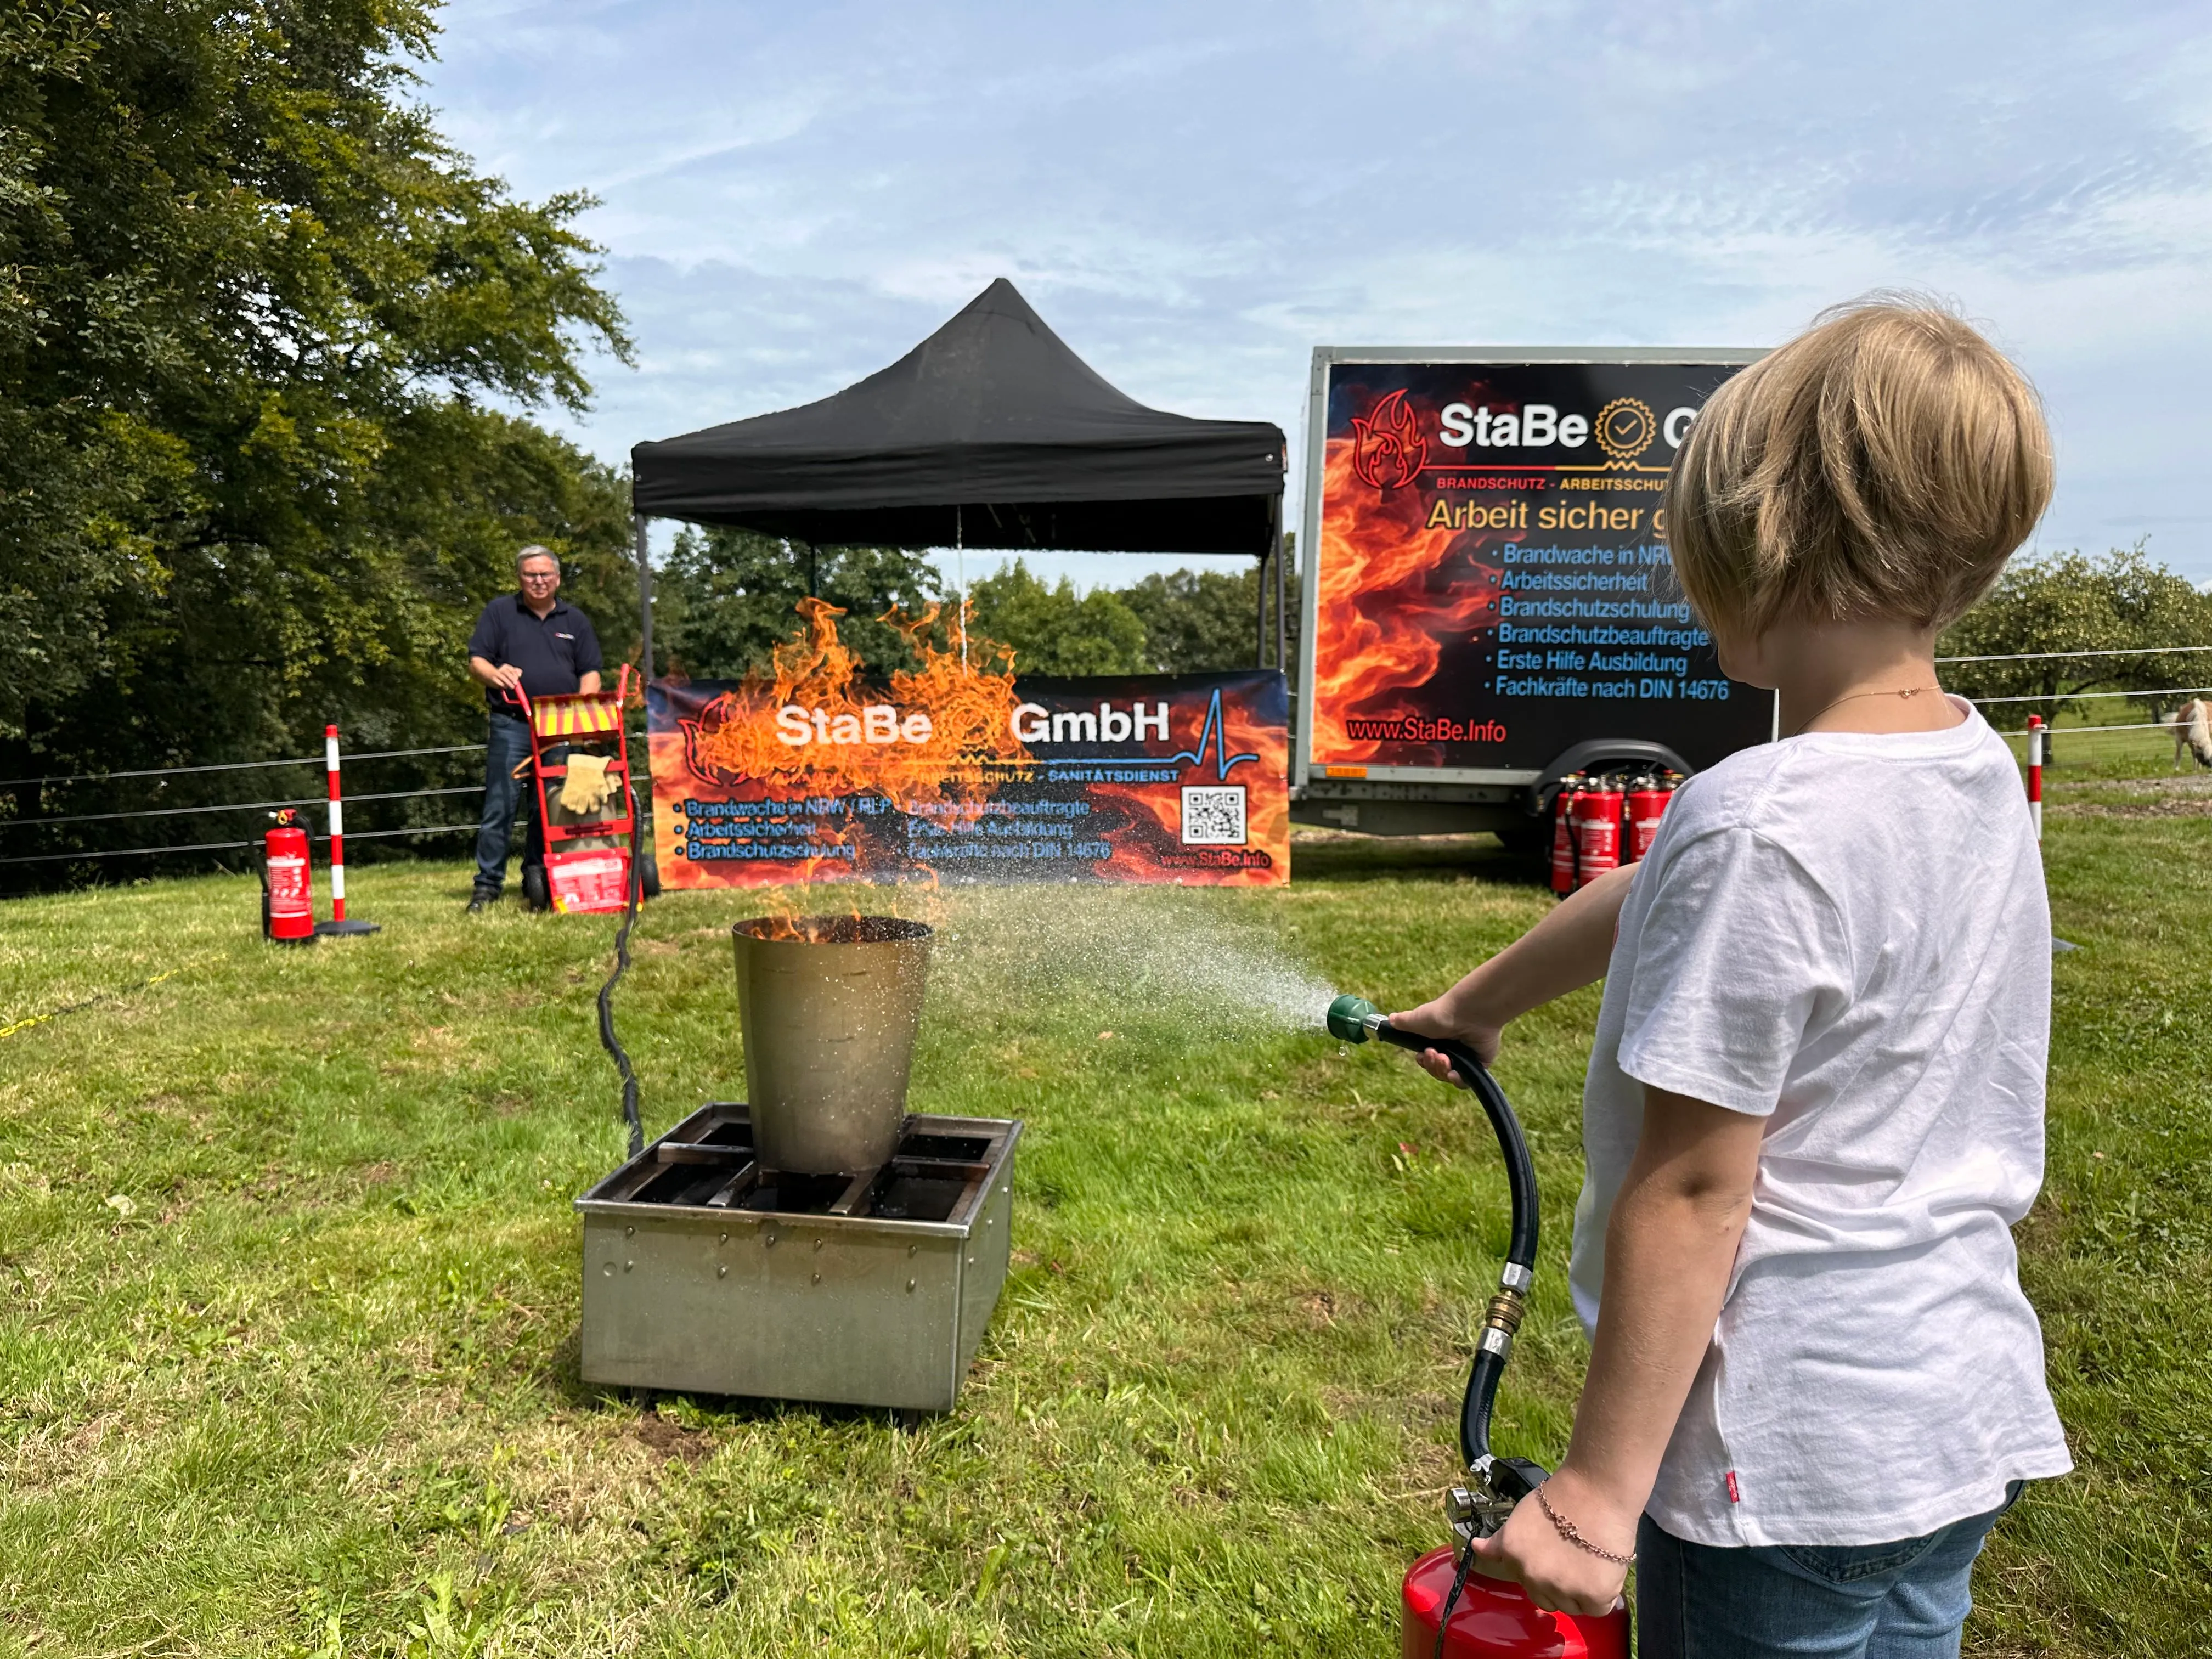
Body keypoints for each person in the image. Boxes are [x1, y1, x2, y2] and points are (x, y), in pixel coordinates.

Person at [1390, 300, 2069, 1657]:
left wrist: (1597, 1497)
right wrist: (1479, 1005)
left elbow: (1699, 1189)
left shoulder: (1760, 820)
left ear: (1759, 530)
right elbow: (1652, 892)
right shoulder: (1971, 765)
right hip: (1951, 1412)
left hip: (1782, 1456)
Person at [466, 545, 601, 912]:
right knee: (500, 805)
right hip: (511, 724)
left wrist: (582, 717)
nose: (538, 581)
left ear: (557, 578)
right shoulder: (499, 612)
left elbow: (590, 672)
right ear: (519, 577)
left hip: (558, 728)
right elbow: (477, 661)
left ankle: (538, 878)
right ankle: (487, 886)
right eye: (530, 574)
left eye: (545, 574)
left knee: (549, 807)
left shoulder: (575, 620)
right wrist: (495, 674)